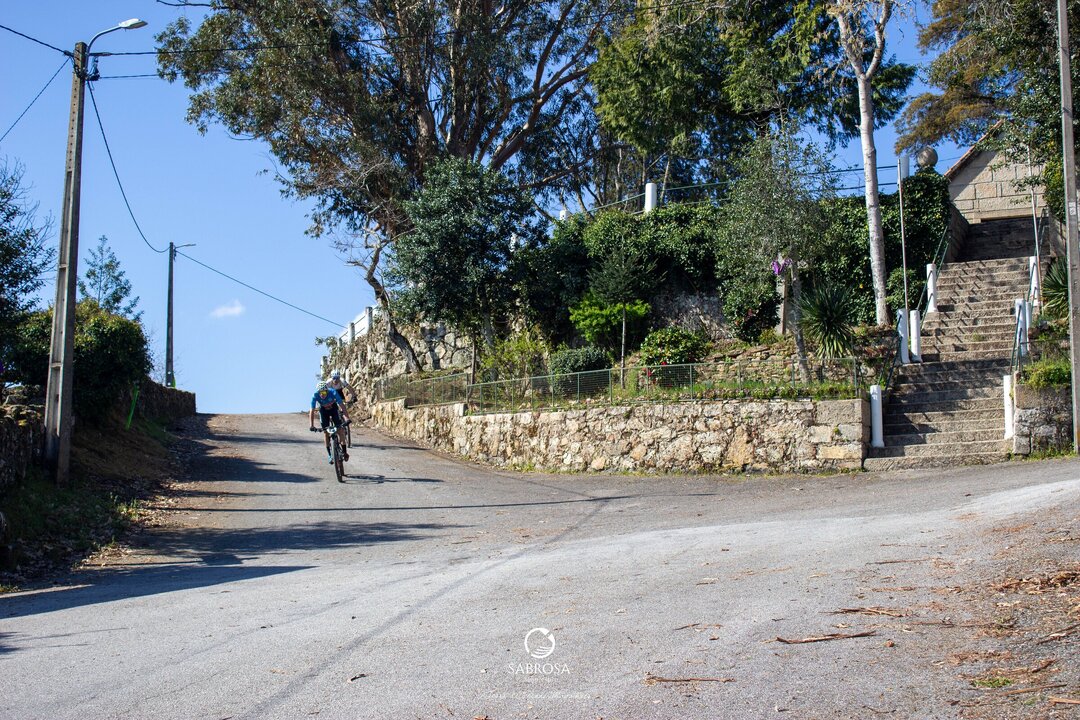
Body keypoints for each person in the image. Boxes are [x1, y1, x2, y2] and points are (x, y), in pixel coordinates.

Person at [309, 382, 349, 464]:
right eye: (320, 392)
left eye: (324, 392)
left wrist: (347, 418)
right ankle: (330, 455)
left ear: (327, 391)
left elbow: (342, 405)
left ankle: (344, 452)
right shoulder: (315, 395)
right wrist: (311, 425)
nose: (322, 394)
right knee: (326, 432)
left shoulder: (333, 392)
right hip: (324, 411)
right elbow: (312, 411)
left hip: (333, 409)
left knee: (340, 430)